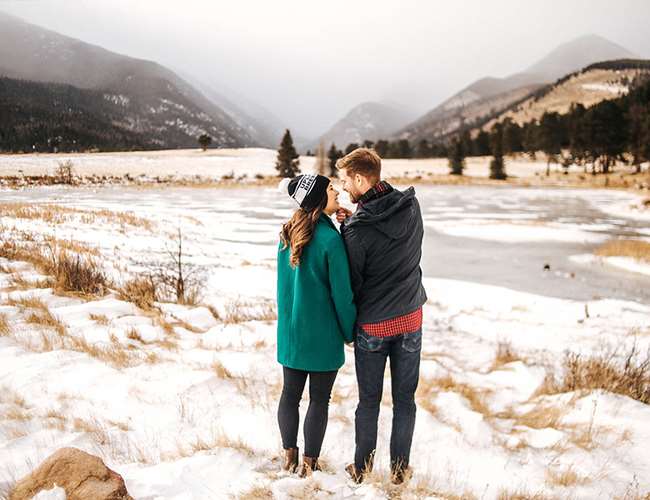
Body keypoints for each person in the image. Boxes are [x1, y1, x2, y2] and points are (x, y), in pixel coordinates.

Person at [335, 148, 427, 485]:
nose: (343, 188)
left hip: (373, 325)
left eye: (346, 181)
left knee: (369, 400)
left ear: (360, 178)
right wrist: (355, 220)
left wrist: (351, 229)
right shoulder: (411, 206)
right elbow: (407, 246)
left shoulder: (357, 229)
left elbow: (354, 282)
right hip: (410, 319)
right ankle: (400, 472)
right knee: (405, 400)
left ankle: (361, 469)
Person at [276, 173, 356, 477]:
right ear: (318, 199)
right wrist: (349, 332)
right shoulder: (330, 241)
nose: (336, 191)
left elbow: (283, 289)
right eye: (330, 188)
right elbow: (343, 295)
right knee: (319, 400)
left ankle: (288, 457)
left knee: (290, 395)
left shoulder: (287, 233)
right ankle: (309, 464)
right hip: (323, 336)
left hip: (292, 333)